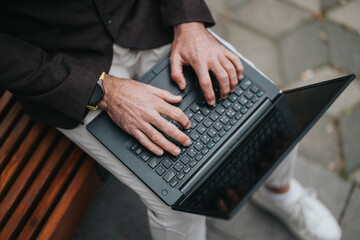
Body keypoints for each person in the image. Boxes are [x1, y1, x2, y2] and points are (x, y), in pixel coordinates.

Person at [0, 1, 341, 239]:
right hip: (64, 63)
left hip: (150, 19)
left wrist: (189, 22)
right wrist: (102, 89)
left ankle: (279, 194)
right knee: (179, 200)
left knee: (265, 108)